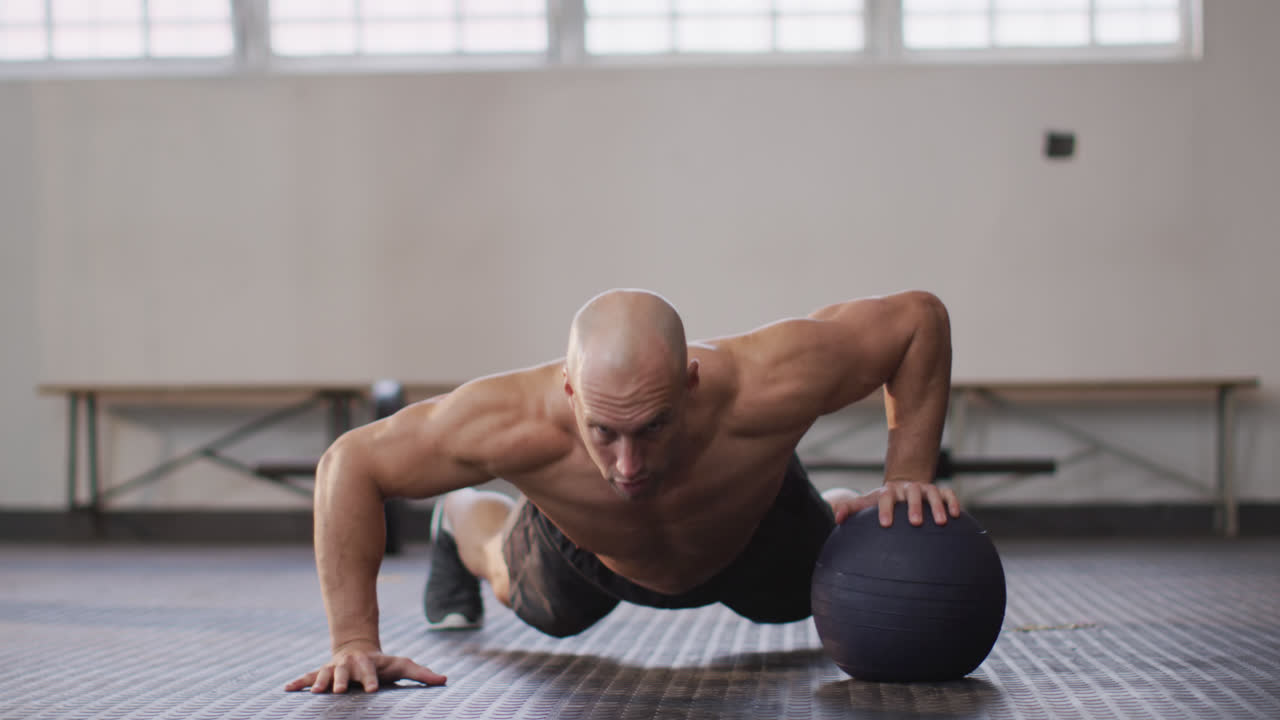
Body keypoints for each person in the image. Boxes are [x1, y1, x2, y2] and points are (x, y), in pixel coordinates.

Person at [286, 288, 961, 694]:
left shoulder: (770, 380)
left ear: (689, 383)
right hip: (587, 553)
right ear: (571, 392)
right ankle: (459, 520)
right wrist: (353, 639)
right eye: (604, 433)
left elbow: (916, 321)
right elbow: (350, 463)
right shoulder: (509, 421)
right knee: (530, 596)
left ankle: (833, 505)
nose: (629, 465)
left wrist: (907, 474)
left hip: (757, 526)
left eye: (654, 427)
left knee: (799, 603)